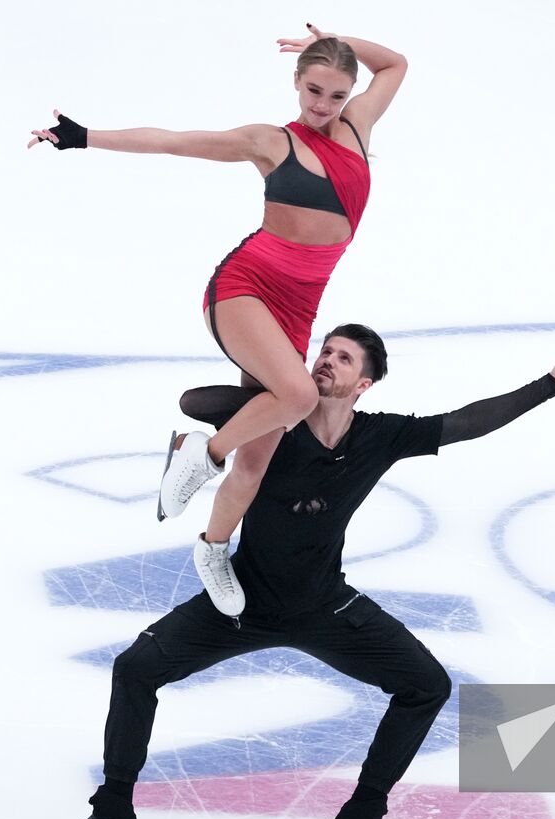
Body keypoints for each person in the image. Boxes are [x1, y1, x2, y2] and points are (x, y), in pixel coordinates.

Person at [32, 324, 555, 819]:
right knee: (135, 669)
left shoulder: (380, 436)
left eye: (342, 359)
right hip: (237, 604)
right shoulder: (271, 423)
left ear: (364, 383)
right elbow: (194, 402)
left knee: (427, 686)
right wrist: (268, 395)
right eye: (324, 351)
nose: (326, 361)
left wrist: (550, 385)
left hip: (325, 608)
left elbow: (467, 423)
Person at [28, 25, 408, 617]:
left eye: (335, 95)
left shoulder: (357, 128)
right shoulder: (269, 141)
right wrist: (83, 137)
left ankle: (212, 548)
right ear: (296, 81)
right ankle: (201, 454)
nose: (322, 106)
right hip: (245, 288)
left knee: (256, 460)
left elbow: (396, 64)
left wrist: (336, 38)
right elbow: (175, 141)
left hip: (298, 307)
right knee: (300, 394)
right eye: (312, 91)